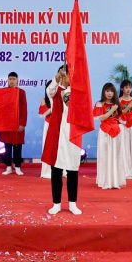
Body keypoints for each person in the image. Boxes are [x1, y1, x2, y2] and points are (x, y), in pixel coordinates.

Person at [42, 66, 82, 215]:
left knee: (72, 169)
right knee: (56, 170)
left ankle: (72, 203)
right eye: (64, 75)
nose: (66, 77)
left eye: (68, 75)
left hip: (73, 134)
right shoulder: (55, 90)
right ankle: (56, 203)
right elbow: (49, 91)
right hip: (58, 134)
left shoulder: (78, 92)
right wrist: (57, 78)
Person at [94, 83, 126, 190]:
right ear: (104, 92)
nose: (109, 93)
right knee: (105, 156)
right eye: (107, 91)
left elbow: (121, 119)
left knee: (116, 156)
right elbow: (101, 118)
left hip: (116, 133)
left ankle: (115, 180)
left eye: (111, 91)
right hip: (105, 132)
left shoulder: (117, 104)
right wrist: (112, 110)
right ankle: (105, 180)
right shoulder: (99, 104)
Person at [1, 72, 27, 176]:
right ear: (7, 80)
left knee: (17, 147)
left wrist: (22, 124)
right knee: (7, 147)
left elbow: (24, 109)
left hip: (17, 124)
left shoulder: (21, 92)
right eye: (10, 79)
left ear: (17, 80)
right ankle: (8, 167)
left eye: (14, 79)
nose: (12, 81)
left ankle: (17, 167)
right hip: (6, 124)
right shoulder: (3, 92)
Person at [39, 81, 53, 179]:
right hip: (49, 125)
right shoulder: (43, 99)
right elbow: (42, 114)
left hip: (59, 125)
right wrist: (53, 108)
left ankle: (62, 171)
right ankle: (47, 171)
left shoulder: (61, 98)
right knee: (47, 147)